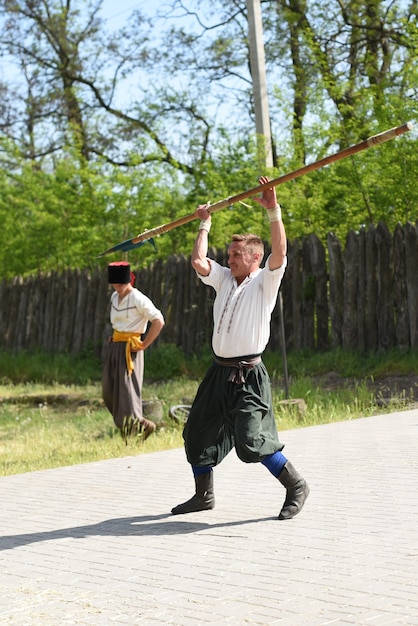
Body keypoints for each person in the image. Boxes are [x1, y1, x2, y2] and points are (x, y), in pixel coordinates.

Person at [171, 176, 309, 520]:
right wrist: (204, 224)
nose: (229, 258)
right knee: (197, 431)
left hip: (248, 375)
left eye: (236, 254)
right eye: (229, 253)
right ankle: (204, 496)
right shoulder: (223, 279)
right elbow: (199, 262)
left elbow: (281, 251)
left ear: (254, 257)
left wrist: (273, 210)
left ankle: (296, 486)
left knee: (252, 439)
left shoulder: (265, 281)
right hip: (218, 372)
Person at [102, 261, 165, 440]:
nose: (118, 288)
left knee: (127, 392)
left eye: (121, 284)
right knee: (109, 390)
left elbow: (158, 320)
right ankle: (127, 425)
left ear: (128, 280)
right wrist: (114, 337)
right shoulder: (114, 297)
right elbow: (118, 322)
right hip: (115, 345)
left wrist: (144, 344)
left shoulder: (138, 298)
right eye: (115, 285)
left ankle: (141, 427)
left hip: (131, 348)